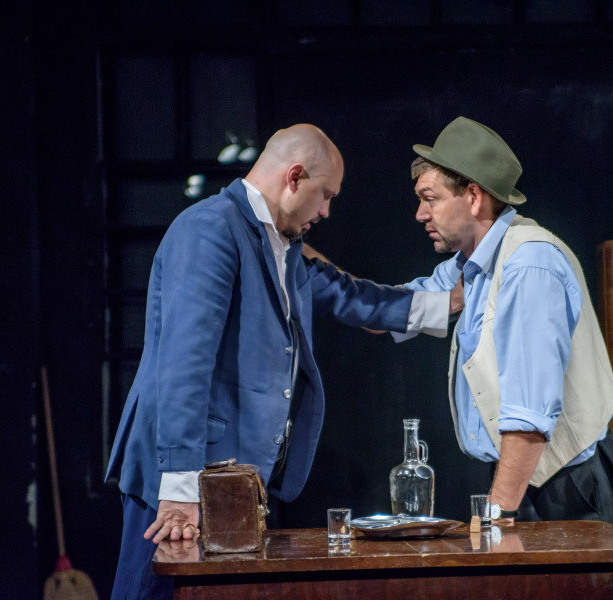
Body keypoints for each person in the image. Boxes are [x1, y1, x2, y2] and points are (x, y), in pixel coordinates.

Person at [104, 123, 452, 600]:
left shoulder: (283, 244)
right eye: (325, 195)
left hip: (231, 481)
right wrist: (180, 490)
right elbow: (184, 364)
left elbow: (351, 297)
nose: (326, 211)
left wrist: (451, 303)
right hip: (179, 478)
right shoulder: (209, 228)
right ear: (294, 177)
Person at [395, 116, 613, 528]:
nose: (420, 214)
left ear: (473, 196)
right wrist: (311, 274)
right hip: (524, 477)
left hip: (565, 486)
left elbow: (529, 413)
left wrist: (498, 515)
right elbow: (394, 309)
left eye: (430, 199)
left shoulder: (528, 264)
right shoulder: (470, 264)